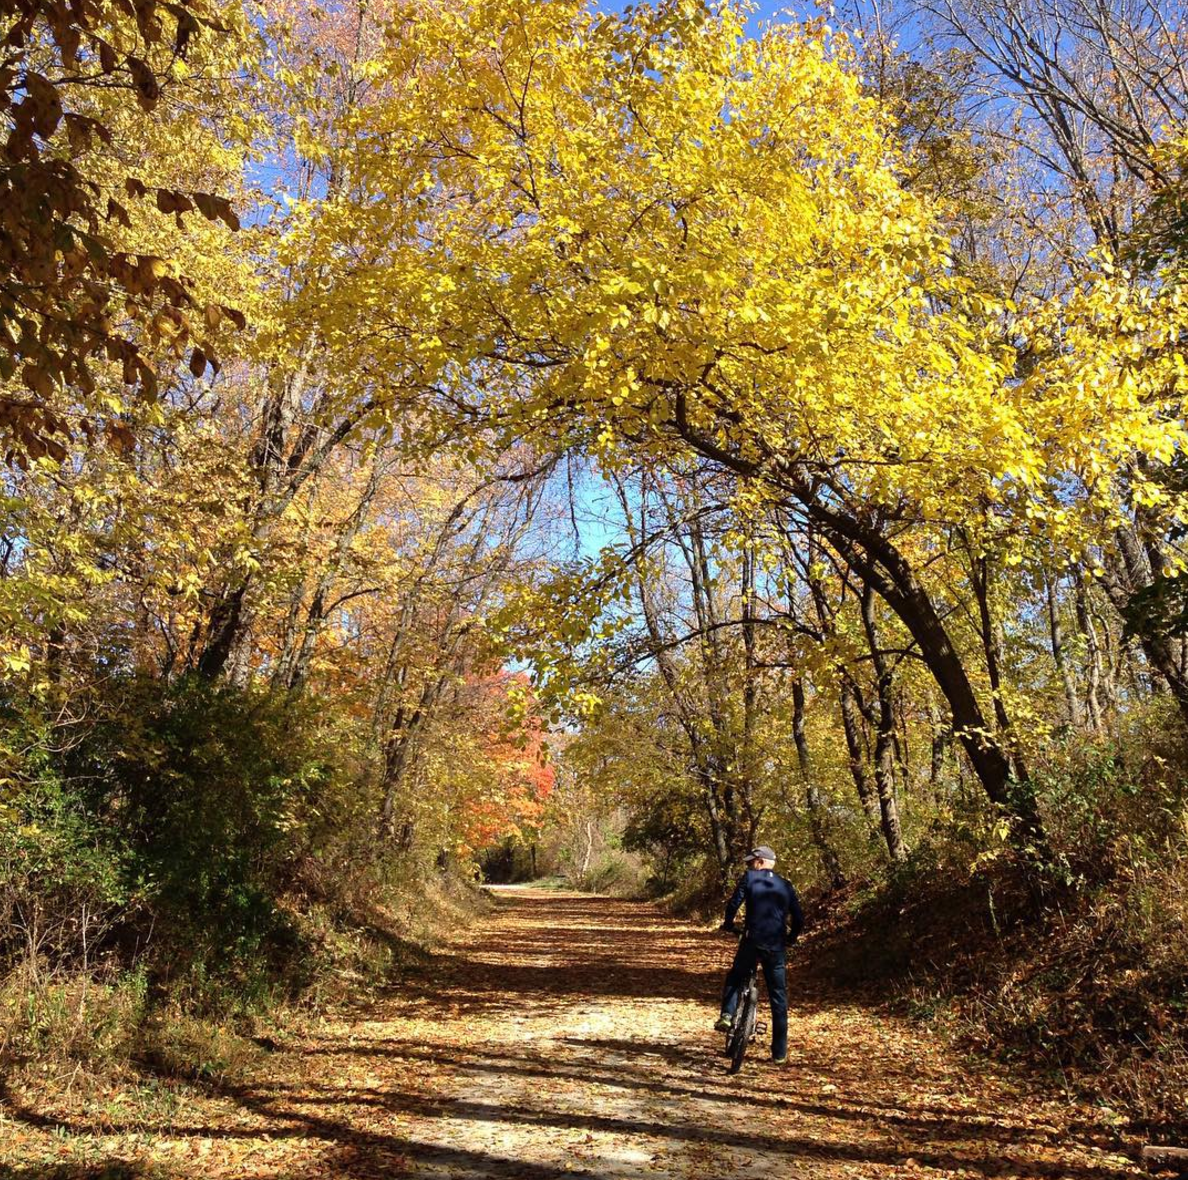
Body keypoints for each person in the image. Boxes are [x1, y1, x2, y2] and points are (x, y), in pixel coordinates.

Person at [713, 845, 804, 1065]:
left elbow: (734, 903)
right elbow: (799, 918)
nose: (749, 865)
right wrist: (790, 938)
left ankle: (727, 1014)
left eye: (751, 861)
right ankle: (779, 1053)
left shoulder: (750, 878)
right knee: (778, 997)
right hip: (776, 946)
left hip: (752, 941)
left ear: (761, 861)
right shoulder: (786, 885)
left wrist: (728, 924)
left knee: (736, 975)